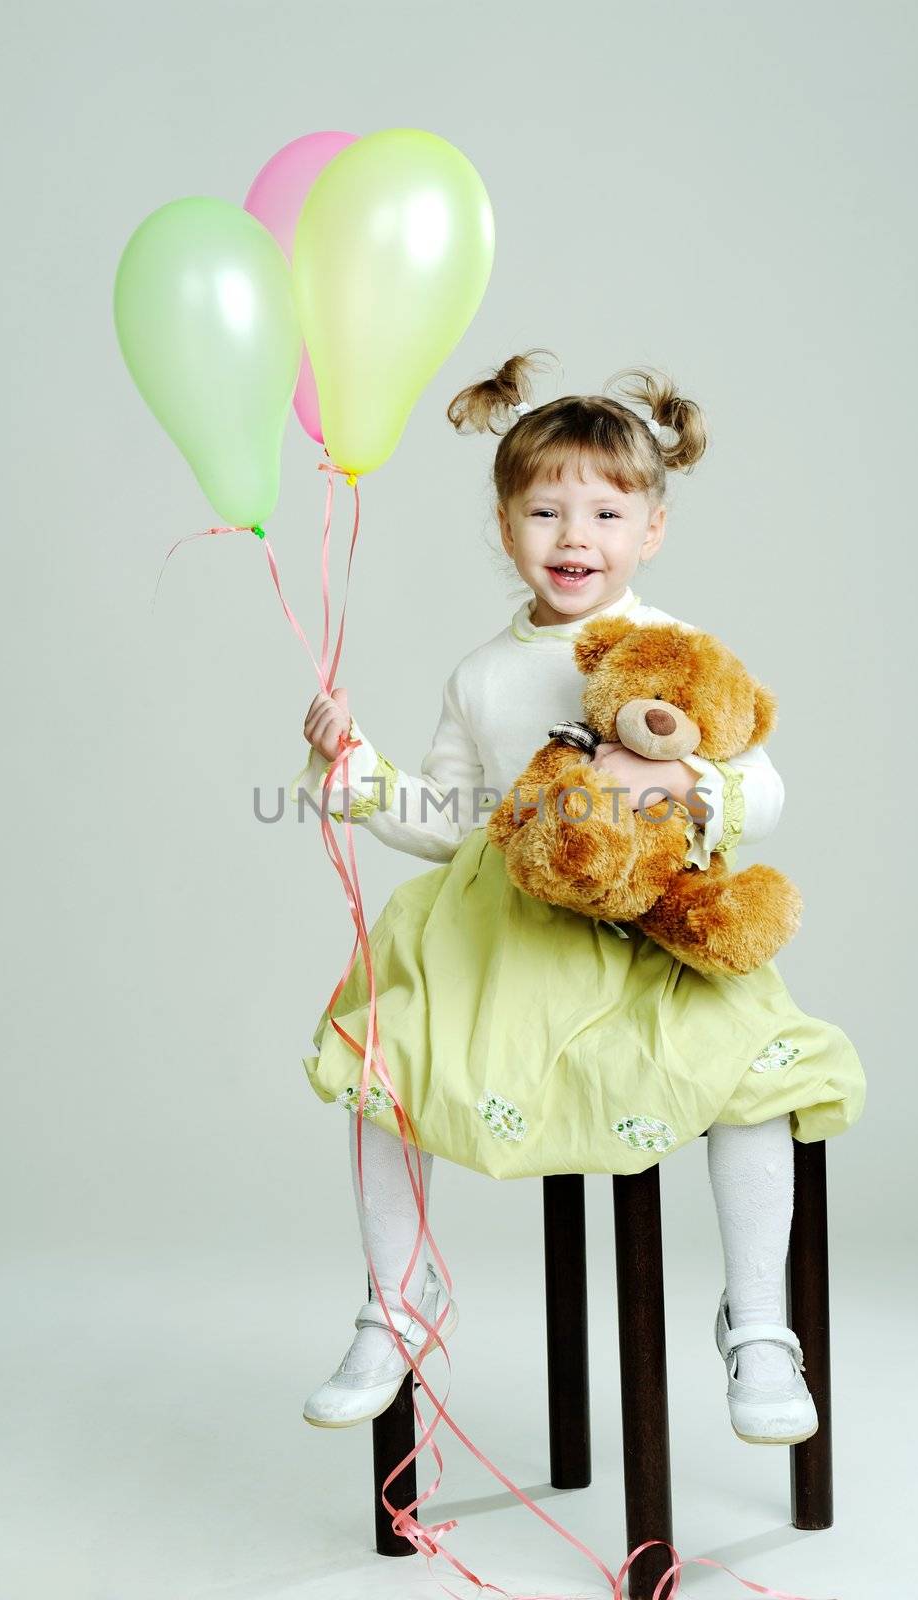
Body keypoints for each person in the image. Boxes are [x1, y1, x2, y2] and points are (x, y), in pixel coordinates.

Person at [291, 350, 866, 1446]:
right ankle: (401, 1296)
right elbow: (457, 817)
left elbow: (765, 780)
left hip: (649, 935)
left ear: (650, 528)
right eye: (545, 510)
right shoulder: (483, 674)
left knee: (754, 1076)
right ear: (506, 528)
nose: (574, 536)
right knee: (385, 1060)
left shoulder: (679, 653)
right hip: (510, 938)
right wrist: (357, 775)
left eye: (606, 511)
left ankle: (757, 1322)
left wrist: (691, 783)